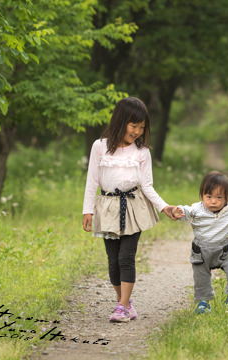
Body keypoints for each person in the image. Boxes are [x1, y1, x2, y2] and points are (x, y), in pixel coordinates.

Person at [82, 96, 178, 322]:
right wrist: (88, 210)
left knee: (126, 257)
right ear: (120, 121)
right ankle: (123, 302)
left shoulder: (142, 152)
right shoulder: (100, 146)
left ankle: (122, 306)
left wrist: (164, 207)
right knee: (113, 260)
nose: (137, 131)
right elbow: (92, 181)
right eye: (133, 125)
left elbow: (147, 186)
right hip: (107, 207)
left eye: (141, 127)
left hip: (134, 207)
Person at [173, 171, 228, 314]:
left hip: (224, 250)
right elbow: (186, 211)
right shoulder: (197, 208)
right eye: (209, 197)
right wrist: (178, 211)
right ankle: (203, 302)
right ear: (202, 195)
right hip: (201, 251)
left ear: (226, 197)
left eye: (218, 197)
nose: (213, 201)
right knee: (201, 277)